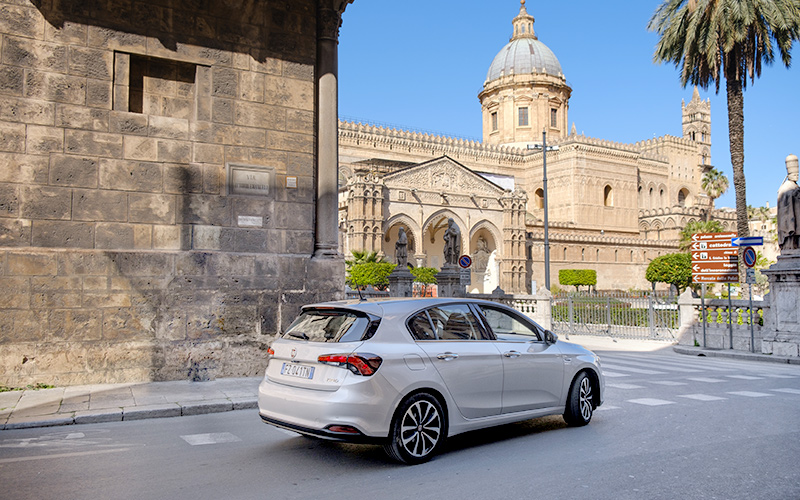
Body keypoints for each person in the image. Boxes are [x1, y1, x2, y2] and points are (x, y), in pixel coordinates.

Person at [777, 154, 800, 253]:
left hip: (797, 216)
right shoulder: (785, 187)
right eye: (795, 174)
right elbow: (782, 202)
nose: (797, 176)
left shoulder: (796, 186)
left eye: (798, 174)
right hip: (790, 216)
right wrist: (793, 195)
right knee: (791, 233)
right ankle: (789, 246)